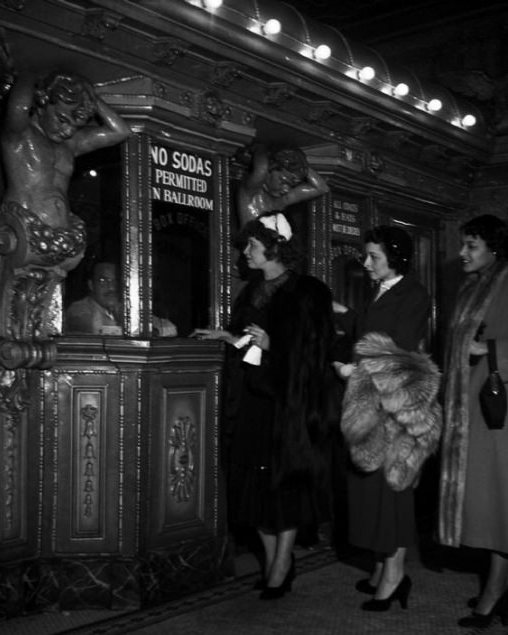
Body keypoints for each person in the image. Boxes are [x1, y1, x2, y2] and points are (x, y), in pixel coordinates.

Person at [191, 212, 335, 600]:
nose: (246, 253)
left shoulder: (309, 291)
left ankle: (282, 564)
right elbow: (250, 343)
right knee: (252, 488)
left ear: (274, 247)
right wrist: (229, 336)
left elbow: (315, 352)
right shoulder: (250, 290)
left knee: (281, 489)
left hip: (286, 407)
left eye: (252, 245)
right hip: (252, 402)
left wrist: (275, 347)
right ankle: (274, 562)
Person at [439, 214, 508, 628]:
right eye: (463, 244)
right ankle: (502, 583)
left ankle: (495, 591)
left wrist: (489, 347)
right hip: (474, 414)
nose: (462, 253)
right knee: (489, 506)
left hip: (506, 416)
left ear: (493, 247)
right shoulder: (473, 285)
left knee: (504, 504)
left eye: (471, 245)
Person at [334, 225, 433, 611]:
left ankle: (395, 575)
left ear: (396, 257)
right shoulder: (383, 290)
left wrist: (353, 373)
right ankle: (381, 566)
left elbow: (400, 353)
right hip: (369, 406)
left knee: (391, 491)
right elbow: (375, 329)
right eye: (367, 255)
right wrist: (348, 316)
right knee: (371, 489)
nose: (366, 262)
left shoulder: (414, 294)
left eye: (374, 256)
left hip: (392, 408)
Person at [0, 70, 132, 230]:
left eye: (75, 126)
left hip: (62, 234)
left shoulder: (70, 144)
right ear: (42, 105)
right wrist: (29, 71)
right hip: (24, 227)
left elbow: (121, 131)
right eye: (62, 120)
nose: (68, 131)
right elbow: (19, 106)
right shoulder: (21, 135)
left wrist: (88, 95)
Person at [236, 143, 330, 226]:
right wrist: (260, 149)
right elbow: (261, 170)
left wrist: (300, 164)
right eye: (283, 181)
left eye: (291, 186)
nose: (286, 189)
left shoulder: (281, 200)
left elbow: (322, 188)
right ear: (270, 170)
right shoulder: (252, 193)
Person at [64, 261, 122, 335]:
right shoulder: (78, 310)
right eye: (103, 281)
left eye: (115, 281)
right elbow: (90, 327)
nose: (112, 288)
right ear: (91, 285)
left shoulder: (120, 308)